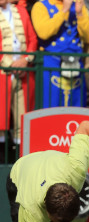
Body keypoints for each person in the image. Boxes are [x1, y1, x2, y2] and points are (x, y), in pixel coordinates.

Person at [31, 0, 89, 108]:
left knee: (76, 106)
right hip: (51, 64)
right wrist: (64, 10)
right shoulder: (40, 6)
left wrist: (79, 14)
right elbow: (43, 33)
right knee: (51, 106)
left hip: (76, 64)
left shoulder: (78, 5)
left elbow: (88, 37)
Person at [0, 0, 37, 160]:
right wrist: (10, 64)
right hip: (2, 73)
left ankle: (19, 161)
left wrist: (26, 60)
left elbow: (32, 39)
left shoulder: (21, 11)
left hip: (23, 73)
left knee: (22, 120)